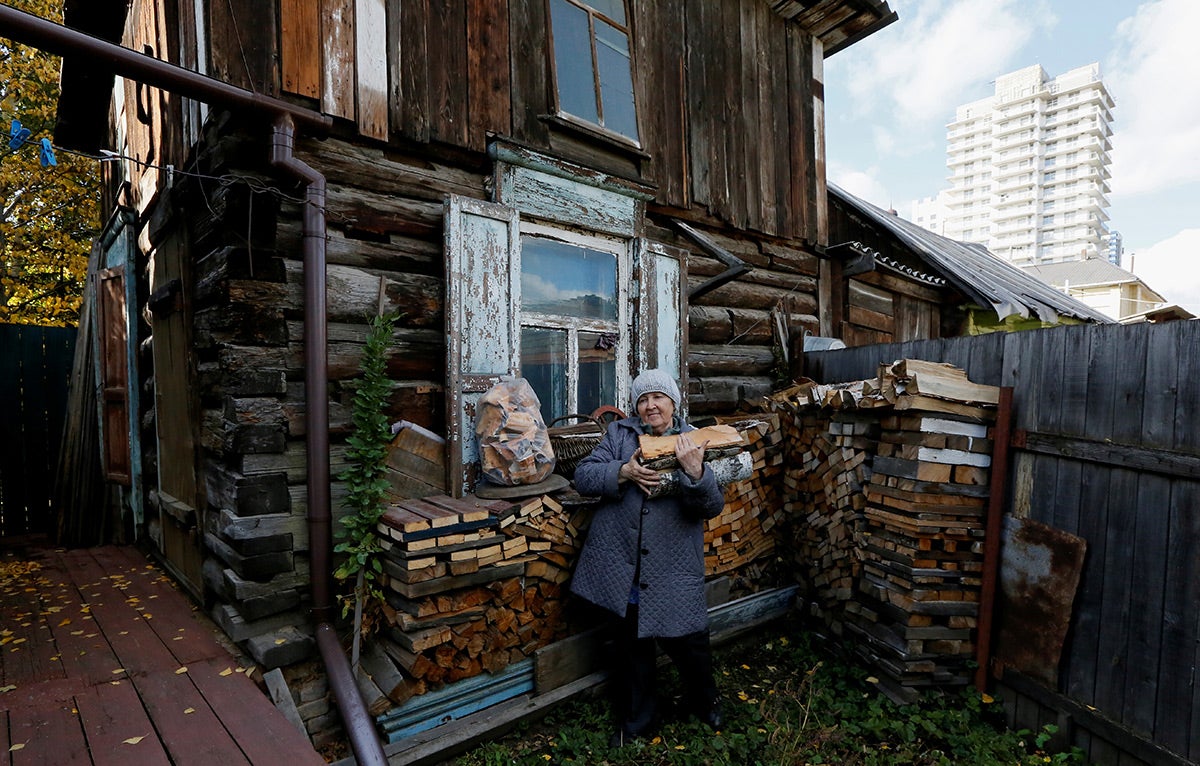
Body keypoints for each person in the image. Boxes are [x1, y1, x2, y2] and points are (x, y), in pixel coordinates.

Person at [569, 368, 725, 747]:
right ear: (636, 407)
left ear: (673, 402)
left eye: (658, 397)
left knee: (689, 644)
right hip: (625, 565)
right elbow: (583, 476)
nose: (651, 405)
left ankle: (706, 703)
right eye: (643, 399)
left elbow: (712, 506)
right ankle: (639, 718)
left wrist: (696, 472)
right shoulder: (620, 436)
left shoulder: (696, 441)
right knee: (631, 649)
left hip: (671, 564)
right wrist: (621, 471)